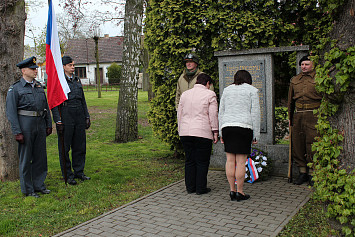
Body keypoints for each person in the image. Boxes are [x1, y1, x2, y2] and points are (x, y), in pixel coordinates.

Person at [6, 56, 52, 198]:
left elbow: (45, 107)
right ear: (24, 70)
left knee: (40, 156)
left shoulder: (38, 86)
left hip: (39, 123)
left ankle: (39, 184)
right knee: (26, 158)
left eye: (36, 68)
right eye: (32, 69)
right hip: (25, 124)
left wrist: (48, 124)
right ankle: (28, 188)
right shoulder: (16, 88)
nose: (35, 71)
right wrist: (17, 131)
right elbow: (11, 112)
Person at [219, 70, 260, 201]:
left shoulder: (226, 90)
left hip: (227, 127)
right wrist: (256, 135)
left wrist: (221, 132)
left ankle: (232, 190)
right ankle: (240, 192)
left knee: (230, 161)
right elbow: (255, 114)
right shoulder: (252, 91)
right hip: (244, 127)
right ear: (249, 79)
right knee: (241, 162)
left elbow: (221, 111)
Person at [51, 56, 91, 185]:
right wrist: (58, 120)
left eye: (73, 65)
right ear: (63, 67)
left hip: (78, 113)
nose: (73, 67)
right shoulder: (59, 82)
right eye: (70, 65)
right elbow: (54, 103)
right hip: (66, 113)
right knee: (65, 146)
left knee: (79, 145)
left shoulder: (76, 80)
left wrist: (86, 116)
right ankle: (68, 175)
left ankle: (79, 171)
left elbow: (82, 99)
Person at [177, 73, 219, 195]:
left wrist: (180, 130)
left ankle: (190, 187)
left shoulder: (185, 94)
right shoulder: (210, 94)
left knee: (189, 160)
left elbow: (179, 113)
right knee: (202, 161)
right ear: (207, 83)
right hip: (202, 132)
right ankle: (201, 188)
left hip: (185, 132)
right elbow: (213, 114)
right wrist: (215, 131)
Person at [288, 55, 322, 186]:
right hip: (298, 115)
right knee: (298, 143)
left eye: (307, 64)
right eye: (302, 64)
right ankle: (302, 172)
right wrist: (290, 118)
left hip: (314, 114)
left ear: (312, 65)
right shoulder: (295, 80)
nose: (304, 66)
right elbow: (291, 101)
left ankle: (313, 173)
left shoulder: (319, 78)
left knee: (312, 143)